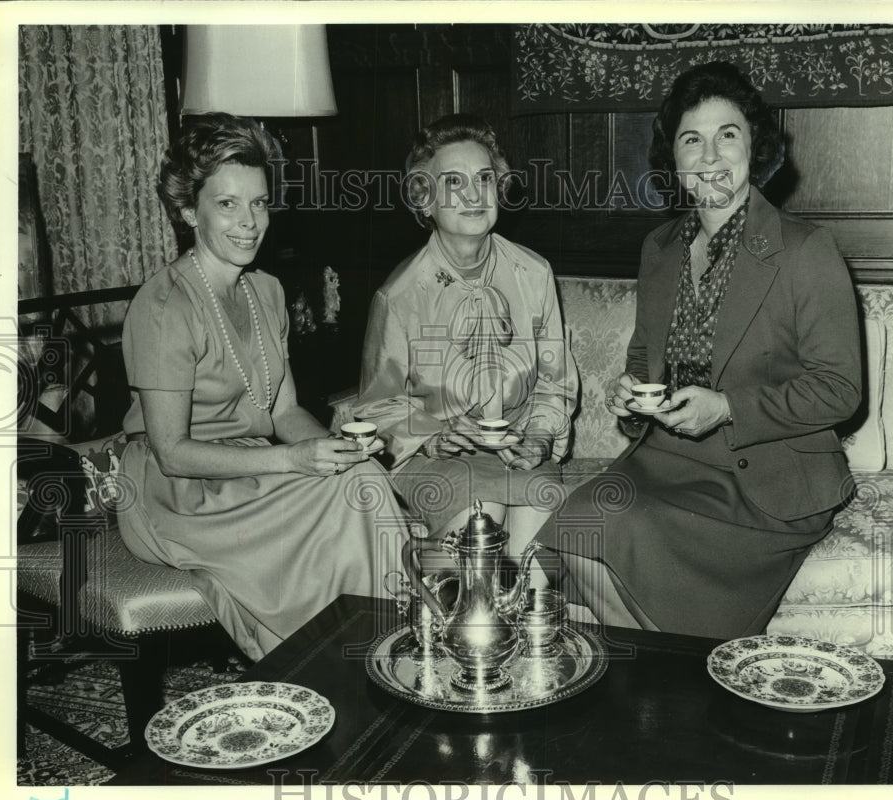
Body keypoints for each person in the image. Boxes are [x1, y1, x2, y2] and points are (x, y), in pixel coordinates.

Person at [536, 62, 862, 639]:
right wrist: (628, 392)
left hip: (766, 475)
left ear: (753, 146)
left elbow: (840, 390)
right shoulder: (658, 248)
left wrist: (728, 406)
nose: (710, 155)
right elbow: (644, 355)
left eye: (727, 134)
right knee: (575, 526)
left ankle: (671, 681)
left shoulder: (806, 249)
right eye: (692, 139)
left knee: (616, 524)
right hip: (666, 461)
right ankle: (672, 683)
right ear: (674, 159)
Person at [117, 113, 408, 660]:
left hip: (248, 468)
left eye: (259, 202)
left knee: (361, 479)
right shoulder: (163, 307)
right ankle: (329, 662)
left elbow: (284, 411)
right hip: (176, 492)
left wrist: (333, 449)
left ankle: (375, 653)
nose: (249, 221)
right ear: (187, 212)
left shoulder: (267, 292)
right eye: (227, 204)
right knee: (351, 502)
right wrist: (296, 462)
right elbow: (172, 453)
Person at [355, 113, 578, 549]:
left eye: (485, 178)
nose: (475, 194)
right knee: (484, 520)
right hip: (432, 456)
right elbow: (377, 406)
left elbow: (554, 383)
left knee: (536, 532)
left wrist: (539, 436)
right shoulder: (399, 295)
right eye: (454, 182)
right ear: (425, 199)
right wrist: (432, 435)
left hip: (520, 447)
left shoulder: (534, 273)